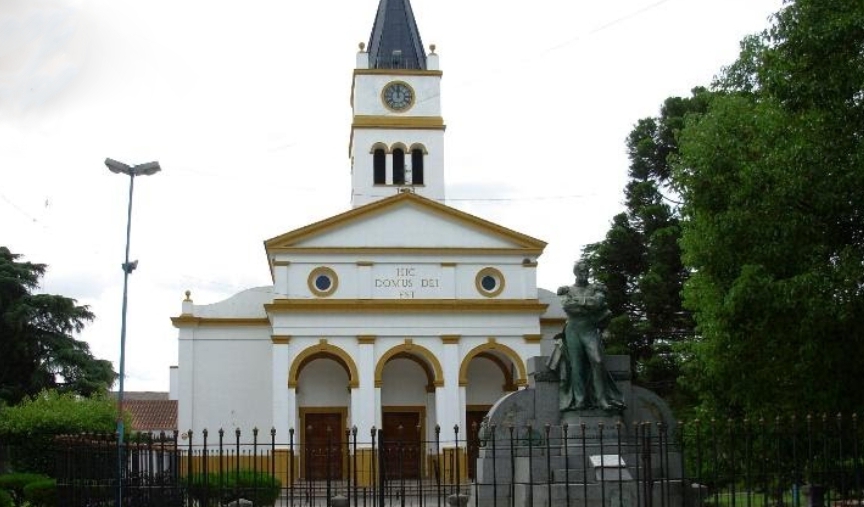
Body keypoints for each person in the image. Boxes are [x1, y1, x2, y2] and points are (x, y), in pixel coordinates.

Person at [548, 261, 625, 412]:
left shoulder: (596, 288)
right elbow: (569, 307)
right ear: (576, 273)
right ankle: (580, 401)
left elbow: (598, 303)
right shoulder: (567, 290)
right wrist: (588, 304)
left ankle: (602, 400)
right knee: (576, 366)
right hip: (573, 330)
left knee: (597, 361)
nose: (585, 273)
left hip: (589, 329)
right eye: (582, 271)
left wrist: (579, 302)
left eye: (587, 271)